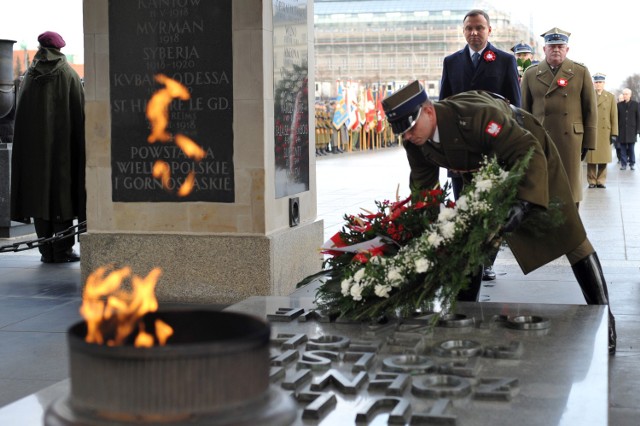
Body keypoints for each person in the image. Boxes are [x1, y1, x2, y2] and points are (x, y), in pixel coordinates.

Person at [382, 81, 617, 353]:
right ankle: (463, 316)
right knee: (471, 239)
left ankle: (606, 316)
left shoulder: (477, 117)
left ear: (428, 111)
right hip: (485, 171)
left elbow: (523, 150)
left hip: (530, 153)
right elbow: (424, 189)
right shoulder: (415, 143)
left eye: (410, 128)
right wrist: (425, 232)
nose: (407, 136)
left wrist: (523, 204)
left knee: (570, 236)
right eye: (403, 132)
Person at [439, 9, 521, 281]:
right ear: (463, 32)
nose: (474, 33)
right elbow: (442, 107)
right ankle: (467, 259)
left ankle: (486, 261)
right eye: (469, 28)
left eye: (479, 28)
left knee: (493, 207)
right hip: (461, 149)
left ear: (489, 30)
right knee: (463, 204)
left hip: (493, 147)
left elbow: (516, 108)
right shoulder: (451, 62)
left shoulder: (504, 60)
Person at [10, 31, 86, 263]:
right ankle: (62, 250)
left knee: (40, 196)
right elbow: (79, 114)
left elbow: (22, 117)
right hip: (63, 150)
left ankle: (46, 250)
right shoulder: (69, 75)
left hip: (35, 153)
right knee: (61, 195)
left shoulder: (29, 77)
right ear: (60, 49)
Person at [521, 27, 597, 207]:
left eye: (560, 46)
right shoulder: (531, 73)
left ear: (567, 49)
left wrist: (589, 142)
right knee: (543, 187)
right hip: (541, 138)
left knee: (570, 189)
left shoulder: (580, 72)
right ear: (544, 49)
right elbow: (524, 111)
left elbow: (590, 109)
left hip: (570, 139)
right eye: (552, 46)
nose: (556, 49)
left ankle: (572, 231)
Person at [586, 73, 618, 188]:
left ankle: (601, 180)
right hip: (592, 130)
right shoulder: (589, 95)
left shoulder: (610, 97)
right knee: (591, 158)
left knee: (603, 158)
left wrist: (614, 132)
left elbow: (614, 116)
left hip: (605, 132)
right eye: (596, 82)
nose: (598, 84)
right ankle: (592, 181)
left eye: (600, 82)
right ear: (593, 83)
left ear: (604, 83)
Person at [617, 88, 640, 170]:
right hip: (622, 130)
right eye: (624, 94)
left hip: (631, 130)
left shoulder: (636, 104)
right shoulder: (619, 105)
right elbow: (617, 118)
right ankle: (623, 164)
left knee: (631, 148)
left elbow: (638, 118)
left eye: (626, 94)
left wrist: (638, 130)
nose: (625, 95)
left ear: (630, 95)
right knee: (622, 148)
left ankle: (632, 163)